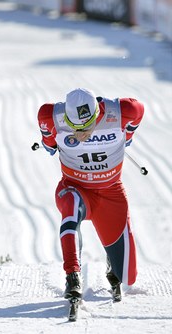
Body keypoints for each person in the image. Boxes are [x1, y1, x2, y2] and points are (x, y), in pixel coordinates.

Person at [37, 88, 144, 302]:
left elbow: (138, 111)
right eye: (75, 127)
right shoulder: (50, 116)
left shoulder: (123, 111)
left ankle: (111, 263)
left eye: (87, 126)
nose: (81, 133)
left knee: (128, 277)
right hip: (75, 188)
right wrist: (51, 144)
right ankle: (72, 276)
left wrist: (128, 135)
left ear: (97, 113)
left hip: (110, 193)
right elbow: (49, 144)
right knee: (70, 205)